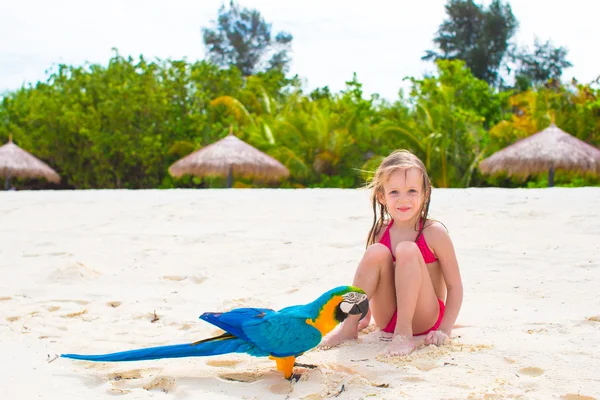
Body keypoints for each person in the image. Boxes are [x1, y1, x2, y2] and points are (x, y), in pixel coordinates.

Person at [321, 149, 463, 356]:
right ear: (381, 196)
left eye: (412, 191)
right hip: (387, 318)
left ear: (425, 193)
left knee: (407, 249)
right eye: (394, 192)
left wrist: (444, 330)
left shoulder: (434, 233)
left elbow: (455, 286)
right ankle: (348, 328)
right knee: (375, 251)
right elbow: (370, 278)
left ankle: (403, 335)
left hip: (425, 317)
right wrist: (364, 316)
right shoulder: (380, 232)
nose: (403, 199)